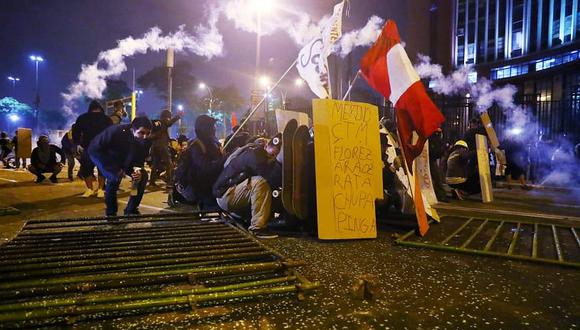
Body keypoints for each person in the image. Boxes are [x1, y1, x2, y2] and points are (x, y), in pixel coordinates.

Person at [213, 134, 282, 239]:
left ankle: (251, 219)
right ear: (266, 146)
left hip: (229, 192)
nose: (273, 157)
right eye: (273, 154)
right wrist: (279, 162)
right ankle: (257, 228)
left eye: (276, 155)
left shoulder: (255, 152)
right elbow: (270, 178)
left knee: (260, 183)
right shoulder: (257, 154)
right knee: (260, 183)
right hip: (226, 195)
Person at [88, 116, 153, 217]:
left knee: (142, 176)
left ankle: (131, 209)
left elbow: (140, 157)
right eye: (141, 132)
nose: (145, 136)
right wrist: (111, 169)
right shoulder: (115, 131)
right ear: (133, 129)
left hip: (127, 160)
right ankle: (111, 212)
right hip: (107, 157)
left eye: (148, 133)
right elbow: (95, 149)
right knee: (114, 178)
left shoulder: (146, 140)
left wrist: (138, 170)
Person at [173, 115, 225, 209]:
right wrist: (224, 158)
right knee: (212, 206)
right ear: (205, 128)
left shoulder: (214, 144)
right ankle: (178, 195)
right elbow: (206, 167)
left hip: (208, 184)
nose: (214, 129)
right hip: (194, 186)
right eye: (212, 127)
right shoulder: (196, 146)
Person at [73, 100, 113, 197]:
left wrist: (77, 144)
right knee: (102, 170)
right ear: (100, 109)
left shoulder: (82, 118)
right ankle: (100, 190)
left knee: (87, 169)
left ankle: (89, 189)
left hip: (87, 147)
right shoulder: (107, 119)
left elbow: (76, 132)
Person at [149, 109, 183, 188]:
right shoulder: (164, 121)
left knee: (155, 164)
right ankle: (169, 182)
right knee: (169, 164)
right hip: (162, 146)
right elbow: (169, 123)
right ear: (167, 116)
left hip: (155, 146)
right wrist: (178, 116)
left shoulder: (158, 124)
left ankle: (152, 182)